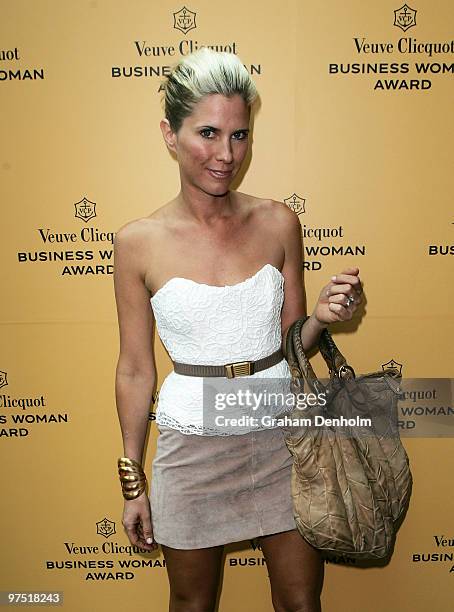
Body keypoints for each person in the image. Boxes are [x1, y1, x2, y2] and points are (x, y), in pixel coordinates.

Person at [113, 48, 363, 612]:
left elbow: (291, 348)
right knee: (192, 605)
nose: (226, 155)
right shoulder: (138, 242)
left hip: (282, 440)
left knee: (301, 604)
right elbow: (134, 367)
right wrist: (133, 481)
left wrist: (321, 319)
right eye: (207, 132)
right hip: (191, 449)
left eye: (239, 135)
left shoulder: (277, 221)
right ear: (169, 135)